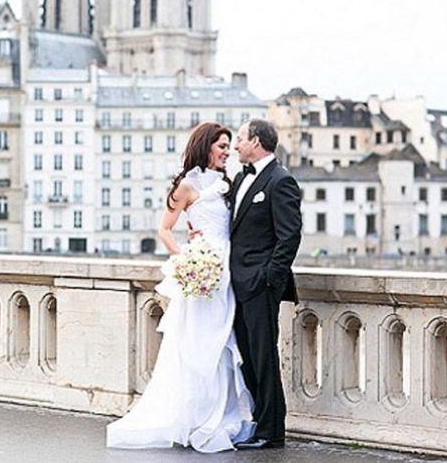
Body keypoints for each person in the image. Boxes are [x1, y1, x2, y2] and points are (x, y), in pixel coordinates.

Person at [106, 122, 255, 453]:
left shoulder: (228, 182)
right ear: (205, 147)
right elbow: (164, 229)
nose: (227, 151)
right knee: (200, 342)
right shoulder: (187, 186)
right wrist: (188, 260)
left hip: (227, 268)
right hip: (204, 271)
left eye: (229, 145)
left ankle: (223, 414)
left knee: (223, 344)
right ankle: (196, 418)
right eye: (221, 146)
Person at [229, 119, 301, 450]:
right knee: (248, 356)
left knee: (264, 357)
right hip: (239, 285)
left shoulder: (280, 180)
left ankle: (272, 432)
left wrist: (270, 278)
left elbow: (289, 236)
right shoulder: (242, 178)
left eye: (240, 139)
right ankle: (260, 422)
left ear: (256, 142)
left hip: (261, 286)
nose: (235, 145)